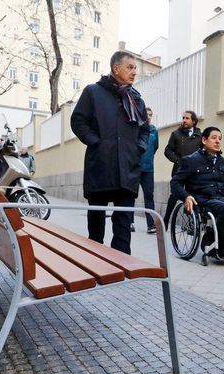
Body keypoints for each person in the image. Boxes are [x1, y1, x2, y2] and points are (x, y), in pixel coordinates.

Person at [70, 50, 149, 254]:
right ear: (116, 68)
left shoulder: (135, 98)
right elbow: (78, 121)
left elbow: (144, 130)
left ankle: (121, 265)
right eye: (130, 67)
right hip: (101, 165)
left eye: (135, 68)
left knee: (123, 221)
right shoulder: (93, 92)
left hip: (127, 167)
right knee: (96, 221)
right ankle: (96, 261)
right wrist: (97, 143)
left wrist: (138, 148)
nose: (134, 72)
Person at [171, 126, 224, 259]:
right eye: (214, 138)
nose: (217, 141)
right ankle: (210, 239)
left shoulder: (223, 162)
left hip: (222, 199)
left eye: (220, 139)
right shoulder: (191, 160)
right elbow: (175, 183)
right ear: (204, 140)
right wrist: (186, 197)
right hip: (203, 200)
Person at [162, 111, 202, 228]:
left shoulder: (200, 136)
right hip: (179, 170)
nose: (184, 120)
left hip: (195, 172)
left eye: (187, 118)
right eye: (183, 118)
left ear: (193, 121)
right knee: (174, 195)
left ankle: (191, 223)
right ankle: (165, 221)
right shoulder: (176, 134)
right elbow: (168, 150)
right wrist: (177, 160)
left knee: (191, 196)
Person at [130, 107, 159, 233]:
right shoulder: (135, 129)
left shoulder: (154, 131)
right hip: (135, 167)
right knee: (131, 195)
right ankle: (129, 222)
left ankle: (151, 224)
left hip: (148, 170)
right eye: (146, 114)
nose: (148, 117)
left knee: (149, 196)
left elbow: (155, 147)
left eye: (150, 115)